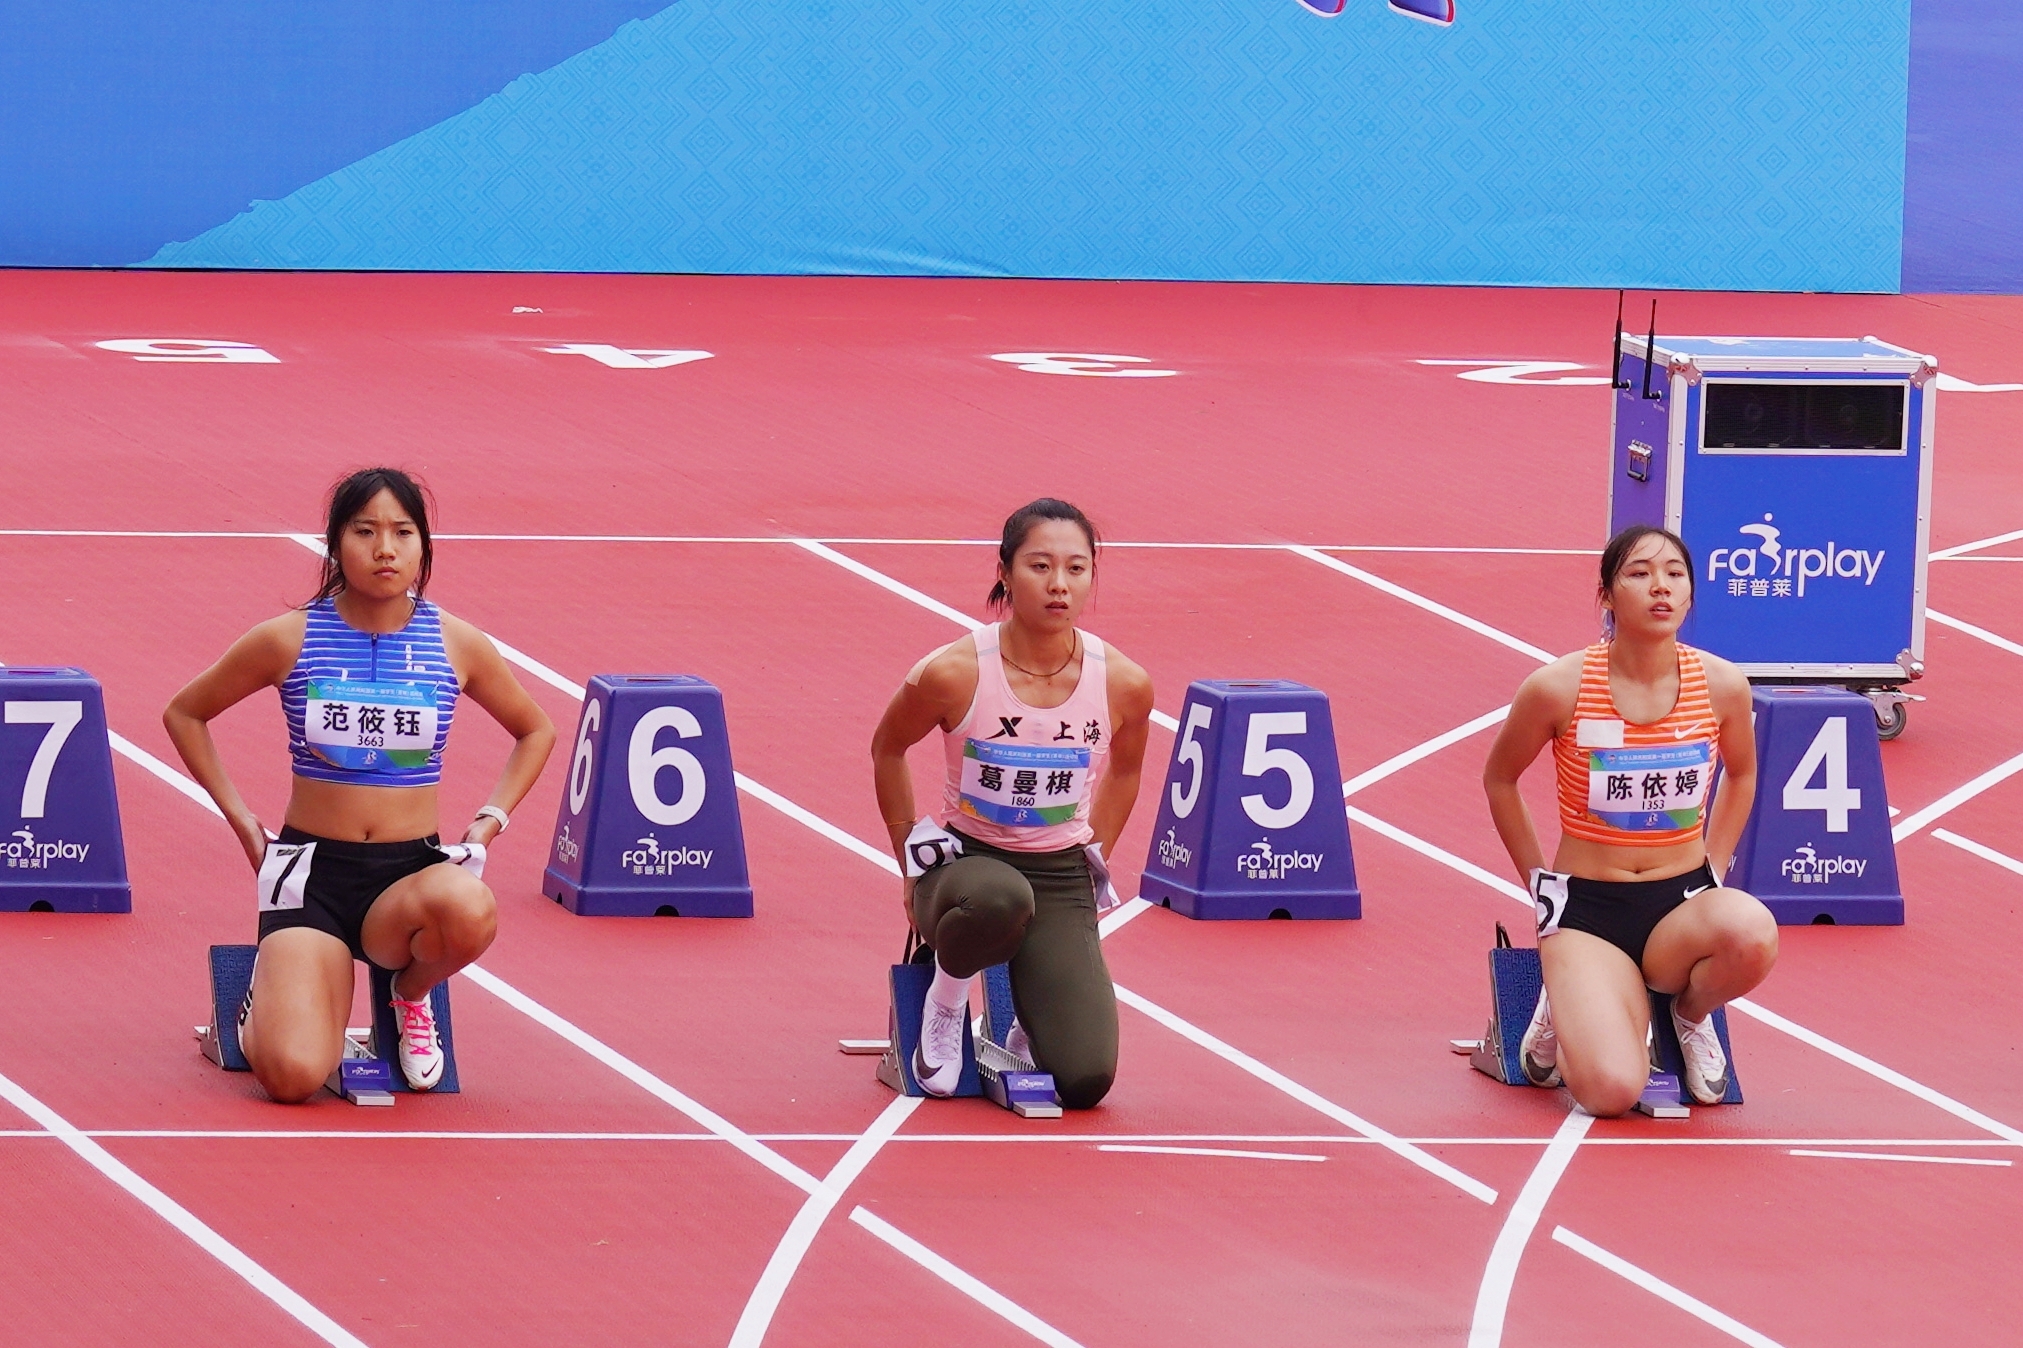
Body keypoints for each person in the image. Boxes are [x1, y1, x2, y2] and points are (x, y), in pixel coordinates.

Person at [165, 468, 555, 1103]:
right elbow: (185, 712)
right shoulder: (289, 637)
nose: (385, 549)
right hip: (311, 877)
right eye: (365, 531)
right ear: (335, 544)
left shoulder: (456, 643)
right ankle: (258, 1002)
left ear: (424, 546)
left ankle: (409, 994)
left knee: (472, 908)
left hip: (405, 879)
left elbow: (535, 729)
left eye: (403, 532)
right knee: (291, 1079)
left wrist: (490, 821)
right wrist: (242, 822)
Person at [1481, 525, 1777, 1115]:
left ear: (1690, 594)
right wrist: (1540, 887)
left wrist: (1714, 867)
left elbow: (1742, 774)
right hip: (1589, 910)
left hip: (1680, 904)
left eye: (1675, 574)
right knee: (1610, 1092)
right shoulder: (1557, 687)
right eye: (1640, 574)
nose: (1660, 587)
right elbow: (1500, 779)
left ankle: (1688, 1015)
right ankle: (1565, 997)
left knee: (1753, 934)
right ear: (1607, 595)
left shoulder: (1722, 685)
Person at [870, 499, 1154, 1109]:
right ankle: (946, 1003)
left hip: (1058, 874)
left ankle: (1031, 1023)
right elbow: (887, 749)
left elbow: (1126, 771)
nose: (1059, 585)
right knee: (1000, 897)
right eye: (1040, 566)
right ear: (1004, 572)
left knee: (1083, 1080)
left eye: (1076, 568)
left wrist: (1093, 856)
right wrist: (908, 862)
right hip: (965, 868)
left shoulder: (1124, 683)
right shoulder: (952, 673)